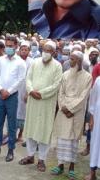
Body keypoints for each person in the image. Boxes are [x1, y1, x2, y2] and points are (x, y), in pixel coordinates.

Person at [18, 41, 63, 171]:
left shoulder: (58, 66)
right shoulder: (35, 62)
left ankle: (42, 159)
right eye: (44, 50)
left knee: (44, 130)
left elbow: (56, 85)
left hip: (46, 103)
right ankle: (30, 156)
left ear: (54, 53)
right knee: (31, 128)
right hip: (33, 101)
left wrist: (41, 94)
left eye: (49, 51)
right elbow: (28, 78)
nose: (46, 53)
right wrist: (31, 90)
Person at [51, 51, 92, 178]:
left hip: (76, 112)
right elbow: (60, 93)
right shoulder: (65, 74)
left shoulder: (88, 77)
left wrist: (71, 109)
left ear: (79, 61)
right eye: (70, 59)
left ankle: (72, 166)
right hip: (64, 111)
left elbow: (84, 96)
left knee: (73, 140)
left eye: (73, 59)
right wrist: (63, 107)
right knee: (62, 139)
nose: (70, 61)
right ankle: (60, 165)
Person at [0, 36, 26, 162]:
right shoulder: (0, 60)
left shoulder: (21, 62)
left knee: (12, 124)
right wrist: (1, 89)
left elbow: (21, 79)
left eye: (11, 46)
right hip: (1, 95)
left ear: (16, 46)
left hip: (12, 96)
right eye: (7, 46)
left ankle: (11, 150)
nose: (9, 48)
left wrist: (9, 91)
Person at [85, 63, 100, 180]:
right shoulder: (99, 80)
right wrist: (91, 119)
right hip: (99, 118)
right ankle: (93, 173)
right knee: (96, 143)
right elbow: (92, 100)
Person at [16, 41, 34, 144]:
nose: (23, 51)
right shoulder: (16, 60)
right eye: (22, 49)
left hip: (25, 90)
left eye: (26, 49)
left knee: (23, 113)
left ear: (29, 51)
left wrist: (28, 93)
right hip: (15, 89)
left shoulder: (32, 62)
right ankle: (12, 134)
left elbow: (31, 78)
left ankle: (20, 134)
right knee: (14, 112)